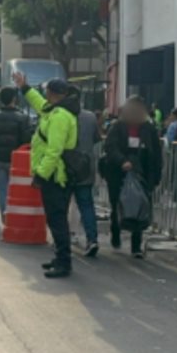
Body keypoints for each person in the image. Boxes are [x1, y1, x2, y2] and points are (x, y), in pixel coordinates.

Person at [13, 72, 79, 278]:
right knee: (55, 219)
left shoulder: (59, 117)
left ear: (52, 93)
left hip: (55, 176)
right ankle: (60, 258)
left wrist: (41, 175)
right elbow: (39, 103)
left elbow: (54, 150)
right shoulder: (56, 111)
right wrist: (25, 88)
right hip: (56, 174)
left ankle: (64, 261)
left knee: (57, 219)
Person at [102, 96, 163, 257]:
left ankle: (136, 245)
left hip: (142, 173)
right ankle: (116, 230)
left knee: (141, 207)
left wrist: (156, 176)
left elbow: (156, 153)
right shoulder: (118, 127)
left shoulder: (148, 129)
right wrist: (121, 161)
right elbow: (110, 146)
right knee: (116, 204)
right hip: (118, 173)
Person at [0, 87, 31, 221]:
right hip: (17, 161)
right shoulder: (23, 118)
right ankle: (16, 217)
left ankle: (5, 216)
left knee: (2, 189)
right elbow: (26, 141)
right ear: (14, 99)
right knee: (17, 190)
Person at [72, 105, 102, 256]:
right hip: (85, 166)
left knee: (61, 204)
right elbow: (97, 139)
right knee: (86, 204)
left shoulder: (59, 114)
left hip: (66, 165)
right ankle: (92, 239)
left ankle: (63, 238)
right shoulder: (90, 116)